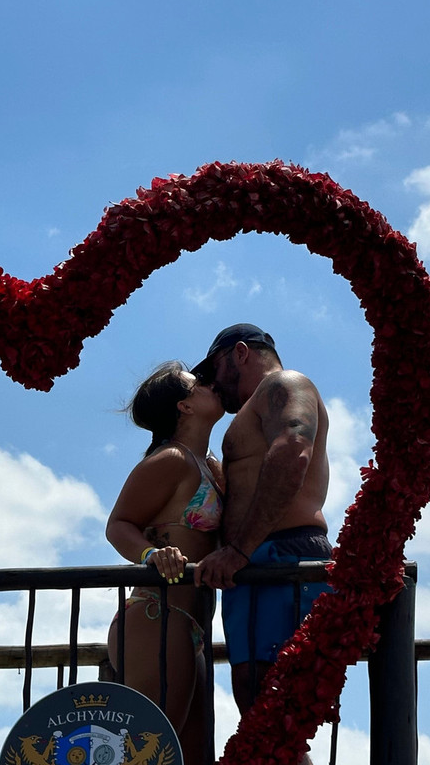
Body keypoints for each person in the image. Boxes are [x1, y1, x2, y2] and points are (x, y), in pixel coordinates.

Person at [192, 324, 332, 738]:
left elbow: (293, 449)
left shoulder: (285, 384)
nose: (212, 384)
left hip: (280, 557)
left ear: (240, 353)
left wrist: (237, 550)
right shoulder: (255, 408)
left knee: (271, 708)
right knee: (260, 709)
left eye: (213, 370)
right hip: (257, 561)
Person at [106, 361, 225, 765]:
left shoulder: (210, 466)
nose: (210, 385)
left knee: (190, 757)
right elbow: (118, 524)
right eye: (198, 384)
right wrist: (151, 554)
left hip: (191, 625)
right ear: (184, 406)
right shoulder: (172, 459)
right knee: (149, 753)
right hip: (156, 615)